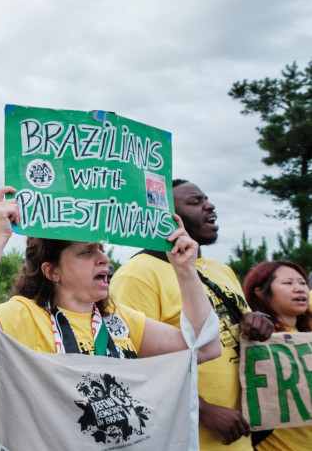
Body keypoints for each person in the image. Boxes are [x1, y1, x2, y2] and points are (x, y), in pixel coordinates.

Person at [0, 186, 221, 361]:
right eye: (87, 252)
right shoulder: (23, 316)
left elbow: (205, 347)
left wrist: (185, 271)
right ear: (52, 271)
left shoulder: (119, 319)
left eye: (100, 248)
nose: (104, 259)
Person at [109, 179, 274, 450]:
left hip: (239, 435)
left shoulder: (222, 270)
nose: (210, 206)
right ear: (167, 218)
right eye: (195, 202)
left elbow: (236, 325)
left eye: (206, 199)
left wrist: (260, 320)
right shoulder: (137, 273)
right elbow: (129, 361)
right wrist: (202, 409)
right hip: (189, 435)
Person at [242, 260, 312, 450]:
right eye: (288, 283)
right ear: (260, 292)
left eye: (303, 283)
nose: (299, 289)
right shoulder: (254, 337)